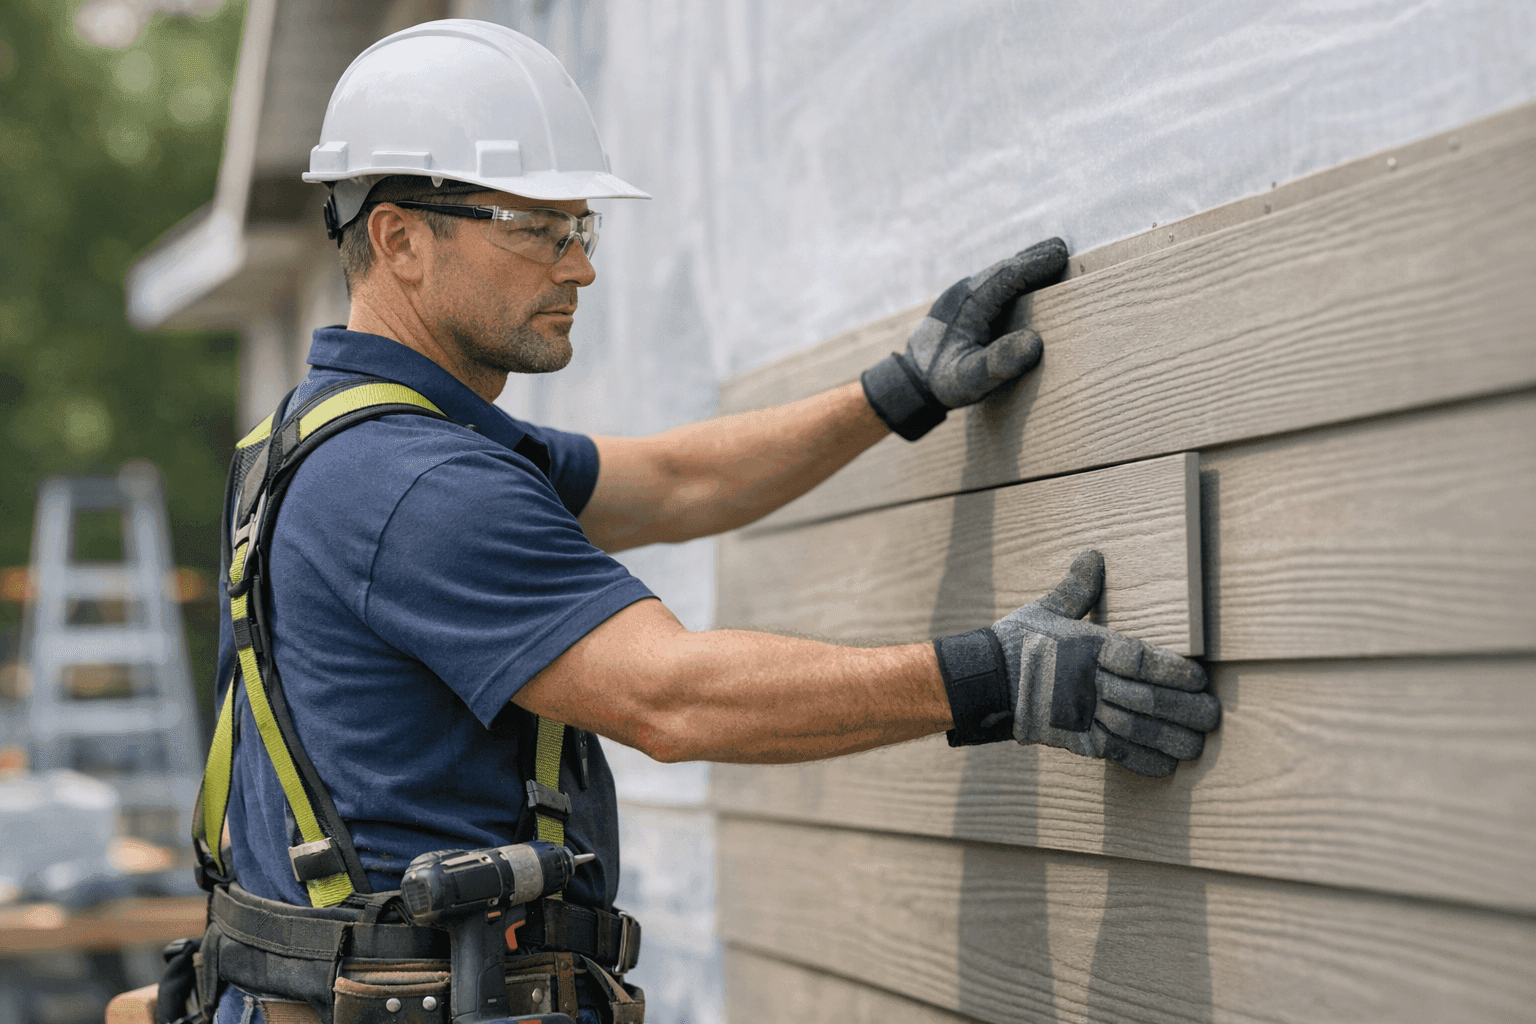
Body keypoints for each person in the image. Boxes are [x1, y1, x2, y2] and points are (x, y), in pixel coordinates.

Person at [201, 19, 1220, 1024]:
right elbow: (674, 698)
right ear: (401, 240)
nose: (579, 268)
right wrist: (999, 677)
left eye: (580, 228)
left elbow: (678, 482)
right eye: (538, 230)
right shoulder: (417, 488)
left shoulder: (332, 442)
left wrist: (896, 391)